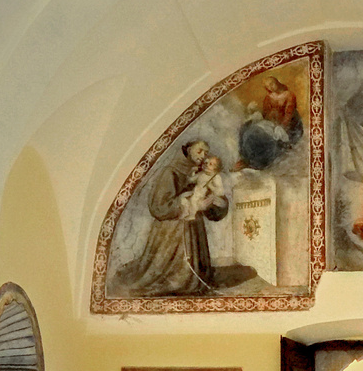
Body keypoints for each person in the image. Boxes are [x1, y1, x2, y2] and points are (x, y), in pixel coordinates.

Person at [114, 139, 230, 295]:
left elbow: (211, 204)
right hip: (171, 232)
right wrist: (193, 205)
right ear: (188, 150)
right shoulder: (171, 172)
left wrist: (217, 202)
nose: (203, 156)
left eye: (206, 153)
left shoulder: (203, 174)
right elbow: (159, 206)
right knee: (176, 278)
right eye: (199, 151)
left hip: (193, 230)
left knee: (194, 277)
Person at [236, 76, 302, 170]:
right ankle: (247, 158)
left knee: (267, 140)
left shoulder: (289, 95)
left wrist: (281, 127)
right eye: (268, 86)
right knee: (249, 129)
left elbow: (289, 113)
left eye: (272, 84)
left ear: (277, 82)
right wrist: (255, 113)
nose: (270, 87)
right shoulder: (268, 97)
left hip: (288, 126)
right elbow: (266, 113)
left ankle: (256, 162)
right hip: (272, 124)